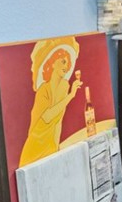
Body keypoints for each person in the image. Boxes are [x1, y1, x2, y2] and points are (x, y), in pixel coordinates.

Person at [19, 36, 82, 167]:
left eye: (68, 62)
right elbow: (47, 117)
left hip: (52, 146)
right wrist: (71, 96)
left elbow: (58, 123)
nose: (67, 65)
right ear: (52, 62)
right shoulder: (44, 89)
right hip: (36, 147)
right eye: (63, 61)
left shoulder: (64, 86)